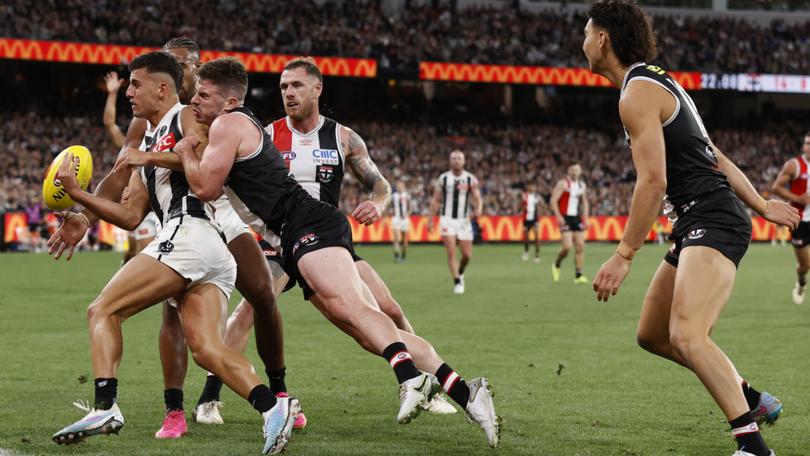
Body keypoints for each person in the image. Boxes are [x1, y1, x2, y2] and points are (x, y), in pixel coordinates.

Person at [175, 56, 500, 448]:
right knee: (306, 316)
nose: (288, 93)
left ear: (318, 88)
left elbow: (379, 185)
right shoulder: (265, 131)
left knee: (376, 310)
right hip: (287, 241)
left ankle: (413, 379)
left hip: (315, 228)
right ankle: (466, 393)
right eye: (282, 87)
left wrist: (377, 204)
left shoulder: (342, 137)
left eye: (296, 85)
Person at [48, 37, 298, 439]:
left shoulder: (185, 116)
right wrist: (81, 207)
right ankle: (273, 410)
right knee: (207, 350)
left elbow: (198, 151)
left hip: (193, 232)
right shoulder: (147, 139)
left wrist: (141, 162)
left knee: (103, 310)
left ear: (161, 89)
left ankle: (105, 407)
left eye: (135, 84)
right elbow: (130, 216)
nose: (128, 92)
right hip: (211, 250)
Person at [583, 2, 797, 455]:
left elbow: (653, 179)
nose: (582, 43)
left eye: (586, 33)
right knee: (653, 334)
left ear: (603, 39)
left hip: (711, 218)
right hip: (700, 219)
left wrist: (623, 254)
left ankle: (753, 446)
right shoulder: (655, 82)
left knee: (686, 334)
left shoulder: (635, 93)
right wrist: (760, 204)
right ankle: (753, 399)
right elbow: (712, 153)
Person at [102, 70, 161, 263]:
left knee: (146, 253)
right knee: (132, 253)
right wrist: (112, 94)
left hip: (156, 206)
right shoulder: (133, 143)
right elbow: (109, 124)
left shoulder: (167, 139)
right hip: (135, 204)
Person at [427, 151, 482, 294]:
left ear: (464, 161)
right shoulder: (444, 179)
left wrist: (479, 209)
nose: (456, 161)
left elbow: (477, 198)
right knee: (451, 252)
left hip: (464, 221)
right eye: (453, 158)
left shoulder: (470, 179)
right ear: (449, 161)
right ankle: (457, 281)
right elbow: (436, 200)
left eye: (459, 158)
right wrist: (430, 220)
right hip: (447, 220)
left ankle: (461, 271)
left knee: (467, 255)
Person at [769, 132, 810, 304]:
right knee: (805, 266)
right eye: (807, 143)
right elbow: (776, 187)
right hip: (799, 220)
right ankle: (801, 281)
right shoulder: (794, 165)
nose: (809, 147)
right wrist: (798, 198)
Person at [550, 163, 589, 284]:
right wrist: (558, 216)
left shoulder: (582, 185)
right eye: (572, 170)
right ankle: (557, 263)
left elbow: (584, 202)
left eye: (577, 170)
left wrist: (586, 218)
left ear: (580, 171)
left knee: (580, 246)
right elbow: (553, 201)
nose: (574, 172)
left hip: (576, 218)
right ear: (568, 170)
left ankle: (578, 275)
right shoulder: (563, 184)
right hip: (564, 217)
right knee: (567, 247)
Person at [520, 182, 542, 262]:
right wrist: (524, 208)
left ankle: (537, 255)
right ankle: (526, 252)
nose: (533, 188)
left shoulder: (537, 196)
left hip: (534, 219)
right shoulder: (524, 195)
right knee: (526, 237)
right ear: (528, 187)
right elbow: (521, 205)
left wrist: (539, 209)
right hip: (526, 219)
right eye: (531, 186)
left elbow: (541, 205)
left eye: (534, 186)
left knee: (536, 237)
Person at [392, 180, 411, 263]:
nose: (399, 187)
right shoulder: (393, 196)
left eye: (401, 186)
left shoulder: (406, 196)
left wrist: (407, 214)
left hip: (404, 219)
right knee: (396, 237)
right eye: (398, 186)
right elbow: (389, 205)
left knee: (404, 240)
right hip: (396, 218)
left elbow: (410, 208)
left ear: (403, 187)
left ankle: (403, 256)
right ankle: (397, 256)